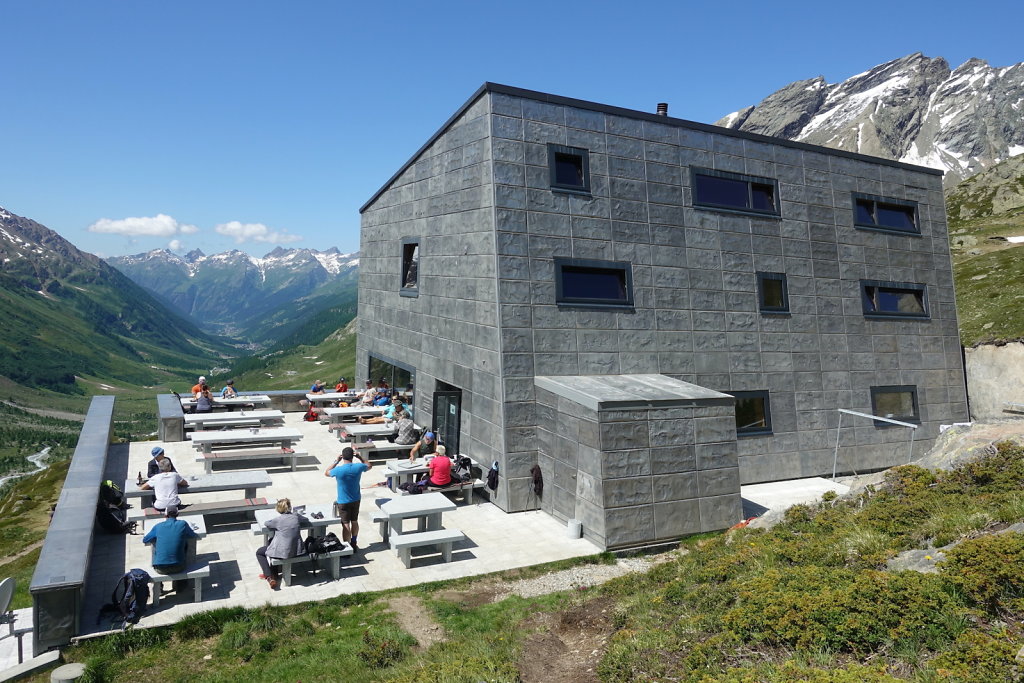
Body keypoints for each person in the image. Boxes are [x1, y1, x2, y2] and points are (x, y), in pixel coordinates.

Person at [324, 447, 371, 552]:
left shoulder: (338, 470)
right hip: (356, 499)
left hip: (343, 501)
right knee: (354, 521)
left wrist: (336, 461)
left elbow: (327, 472)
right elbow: (369, 465)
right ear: (352, 456)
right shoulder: (358, 467)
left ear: (342, 456)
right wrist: (360, 457)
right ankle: (354, 542)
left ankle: (347, 547)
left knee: (345, 524)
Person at [255, 498, 305, 590]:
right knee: (272, 543)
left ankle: (269, 576)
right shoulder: (296, 517)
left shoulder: (278, 520)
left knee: (260, 552)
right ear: (289, 507)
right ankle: (274, 574)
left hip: (284, 551)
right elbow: (304, 519)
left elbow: (267, 523)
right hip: (297, 549)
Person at [142, 505, 197, 586]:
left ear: (165, 515)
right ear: (177, 514)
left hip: (160, 569)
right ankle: (181, 585)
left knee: (155, 547)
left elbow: (145, 540)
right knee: (184, 544)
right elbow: (193, 535)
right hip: (179, 567)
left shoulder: (158, 526)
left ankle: (159, 587)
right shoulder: (183, 524)